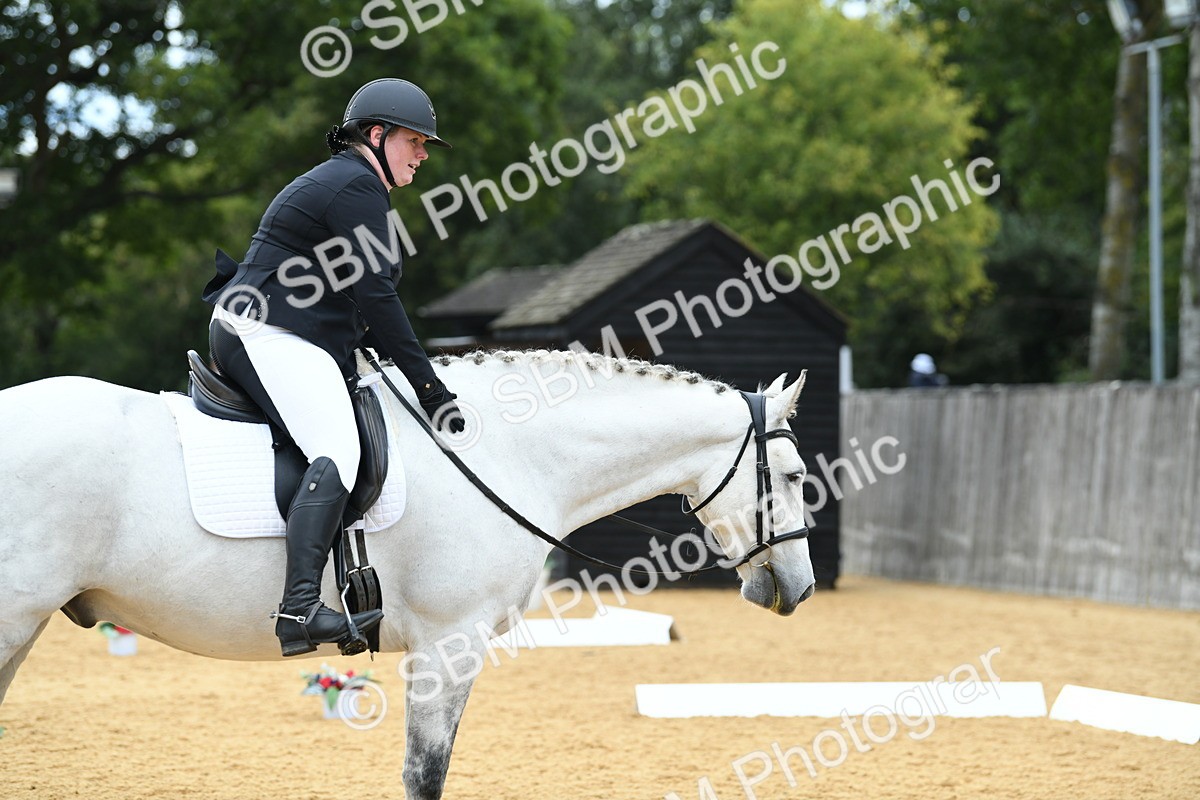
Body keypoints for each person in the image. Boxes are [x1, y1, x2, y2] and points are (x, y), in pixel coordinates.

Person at [200, 78, 464, 657]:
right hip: (263, 330)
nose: (423, 155)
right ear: (377, 134)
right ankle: (298, 608)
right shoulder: (354, 187)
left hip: (280, 329)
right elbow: (377, 298)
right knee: (337, 448)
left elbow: (349, 304)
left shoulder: (354, 186)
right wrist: (430, 386)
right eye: (415, 142)